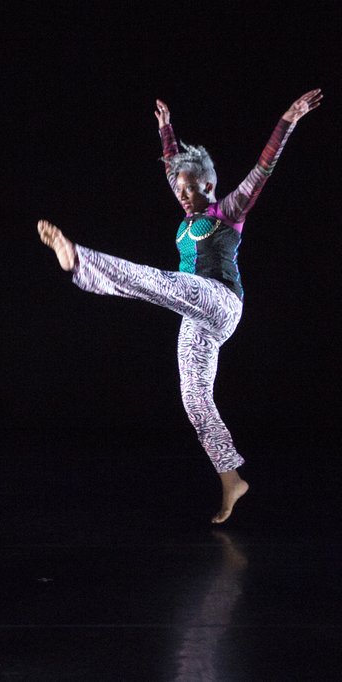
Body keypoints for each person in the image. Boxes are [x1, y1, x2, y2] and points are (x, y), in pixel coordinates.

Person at [38, 89, 322, 523]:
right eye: (182, 192)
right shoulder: (188, 208)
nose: (184, 197)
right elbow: (174, 168)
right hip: (196, 315)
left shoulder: (229, 211)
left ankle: (79, 258)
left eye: (191, 191)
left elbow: (263, 169)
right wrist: (166, 131)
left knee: (161, 282)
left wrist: (286, 122)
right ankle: (232, 478)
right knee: (194, 398)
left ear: (209, 186)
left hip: (221, 301)